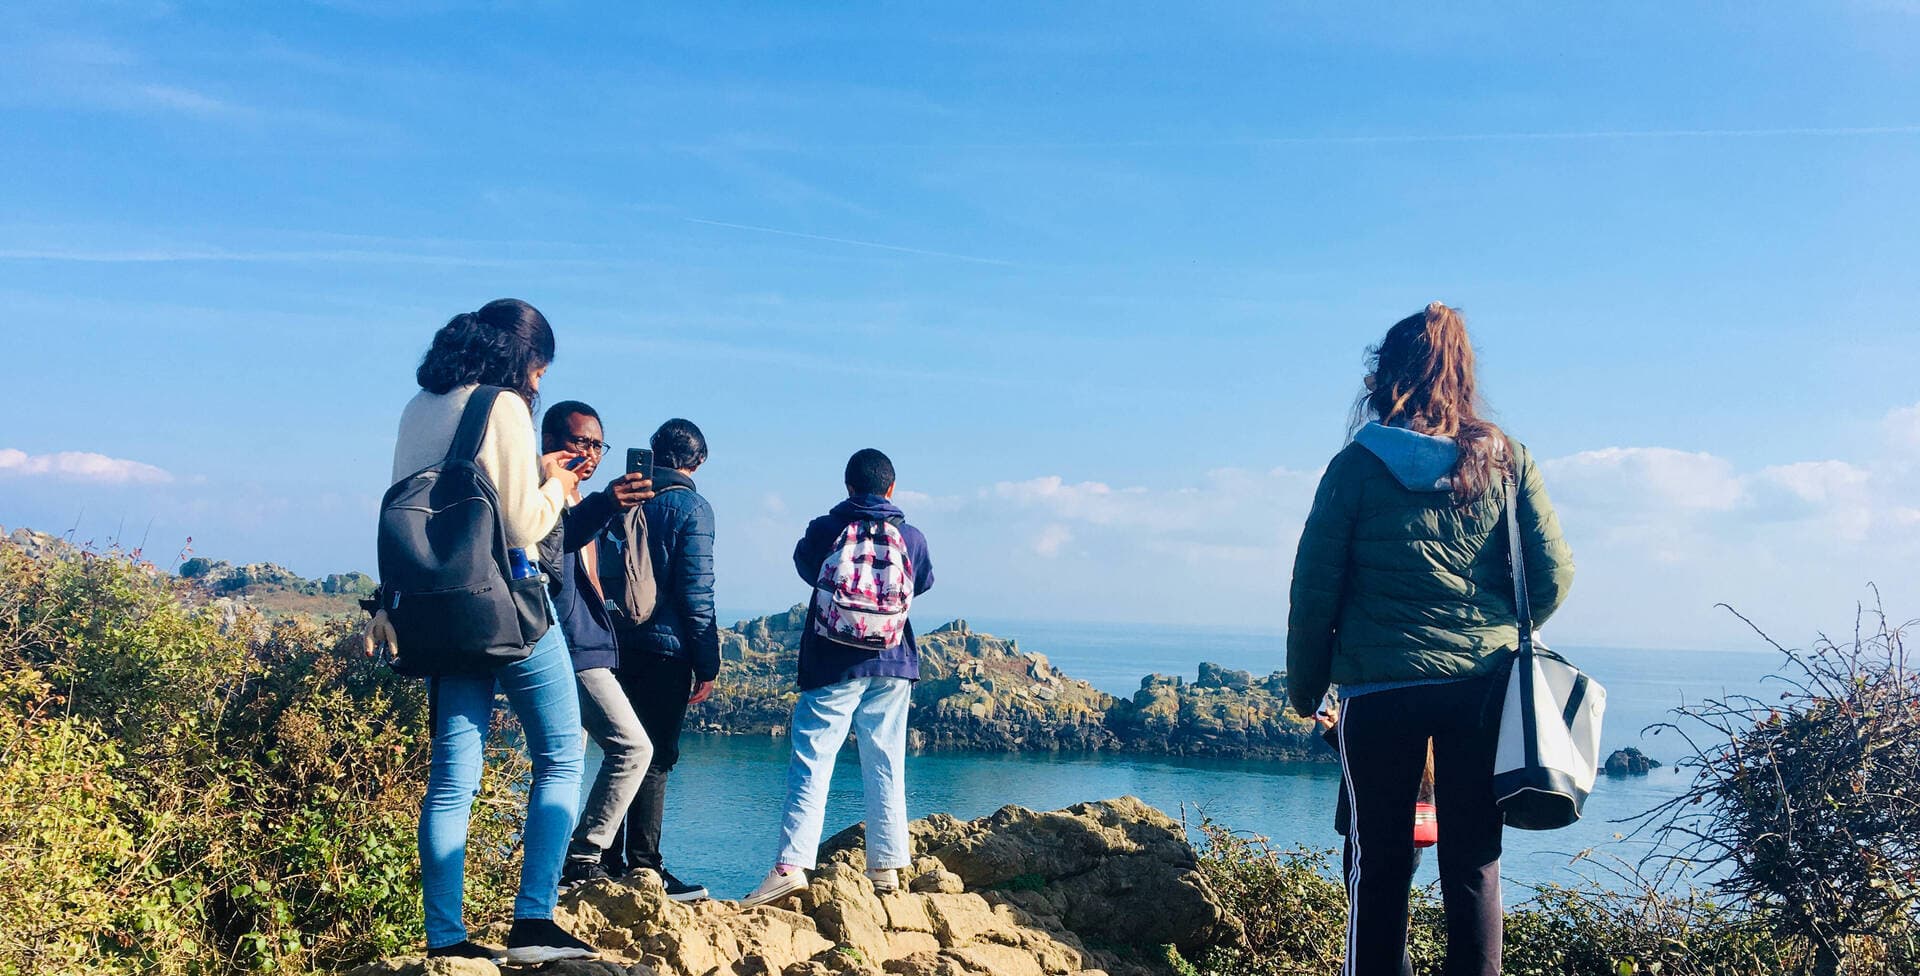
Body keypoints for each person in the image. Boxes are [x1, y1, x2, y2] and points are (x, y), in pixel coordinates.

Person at [1285, 302, 1575, 976]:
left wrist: (1306, 692)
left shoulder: (1354, 468)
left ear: (1383, 376)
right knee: (1474, 864)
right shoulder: (1507, 461)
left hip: (1378, 695)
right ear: (1462, 373)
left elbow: (1314, 594)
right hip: (1482, 689)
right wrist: (1502, 630)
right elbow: (1553, 574)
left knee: (1377, 864)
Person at [389, 300, 599, 963]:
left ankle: (446, 938)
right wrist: (559, 486)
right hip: (506, 602)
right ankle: (533, 925)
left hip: (437, 606)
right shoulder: (501, 405)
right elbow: (522, 526)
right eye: (540, 366)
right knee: (564, 753)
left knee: (453, 778)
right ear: (521, 357)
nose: (539, 382)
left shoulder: (420, 405)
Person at [742, 448, 935, 908]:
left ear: (848, 486)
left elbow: (809, 570)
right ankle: (886, 867)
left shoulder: (825, 529)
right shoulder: (911, 536)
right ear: (892, 488)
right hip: (893, 660)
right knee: (887, 759)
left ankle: (791, 866)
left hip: (832, 661)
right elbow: (921, 583)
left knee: (812, 759)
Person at [537, 401, 658, 890]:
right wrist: (604, 503)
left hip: (588, 642)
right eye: (578, 441)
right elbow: (554, 543)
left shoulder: (580, 499)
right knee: (633, 747)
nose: (589, 452)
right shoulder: (542, 496)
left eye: (596, 444)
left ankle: (554, 867)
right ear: (549, 440)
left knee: (565, 760)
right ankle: (584, 854)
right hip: (568, 647)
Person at [600, 418, 719, 901]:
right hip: (667, 649)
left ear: (652, 454)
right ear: (699, 461)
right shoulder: (693, 507)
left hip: (614, 642)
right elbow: (697, 592)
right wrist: (707, 663)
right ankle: (645, 867)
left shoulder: (623, 499)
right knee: (656, 757)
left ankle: (601, 858)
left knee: (621, 750)